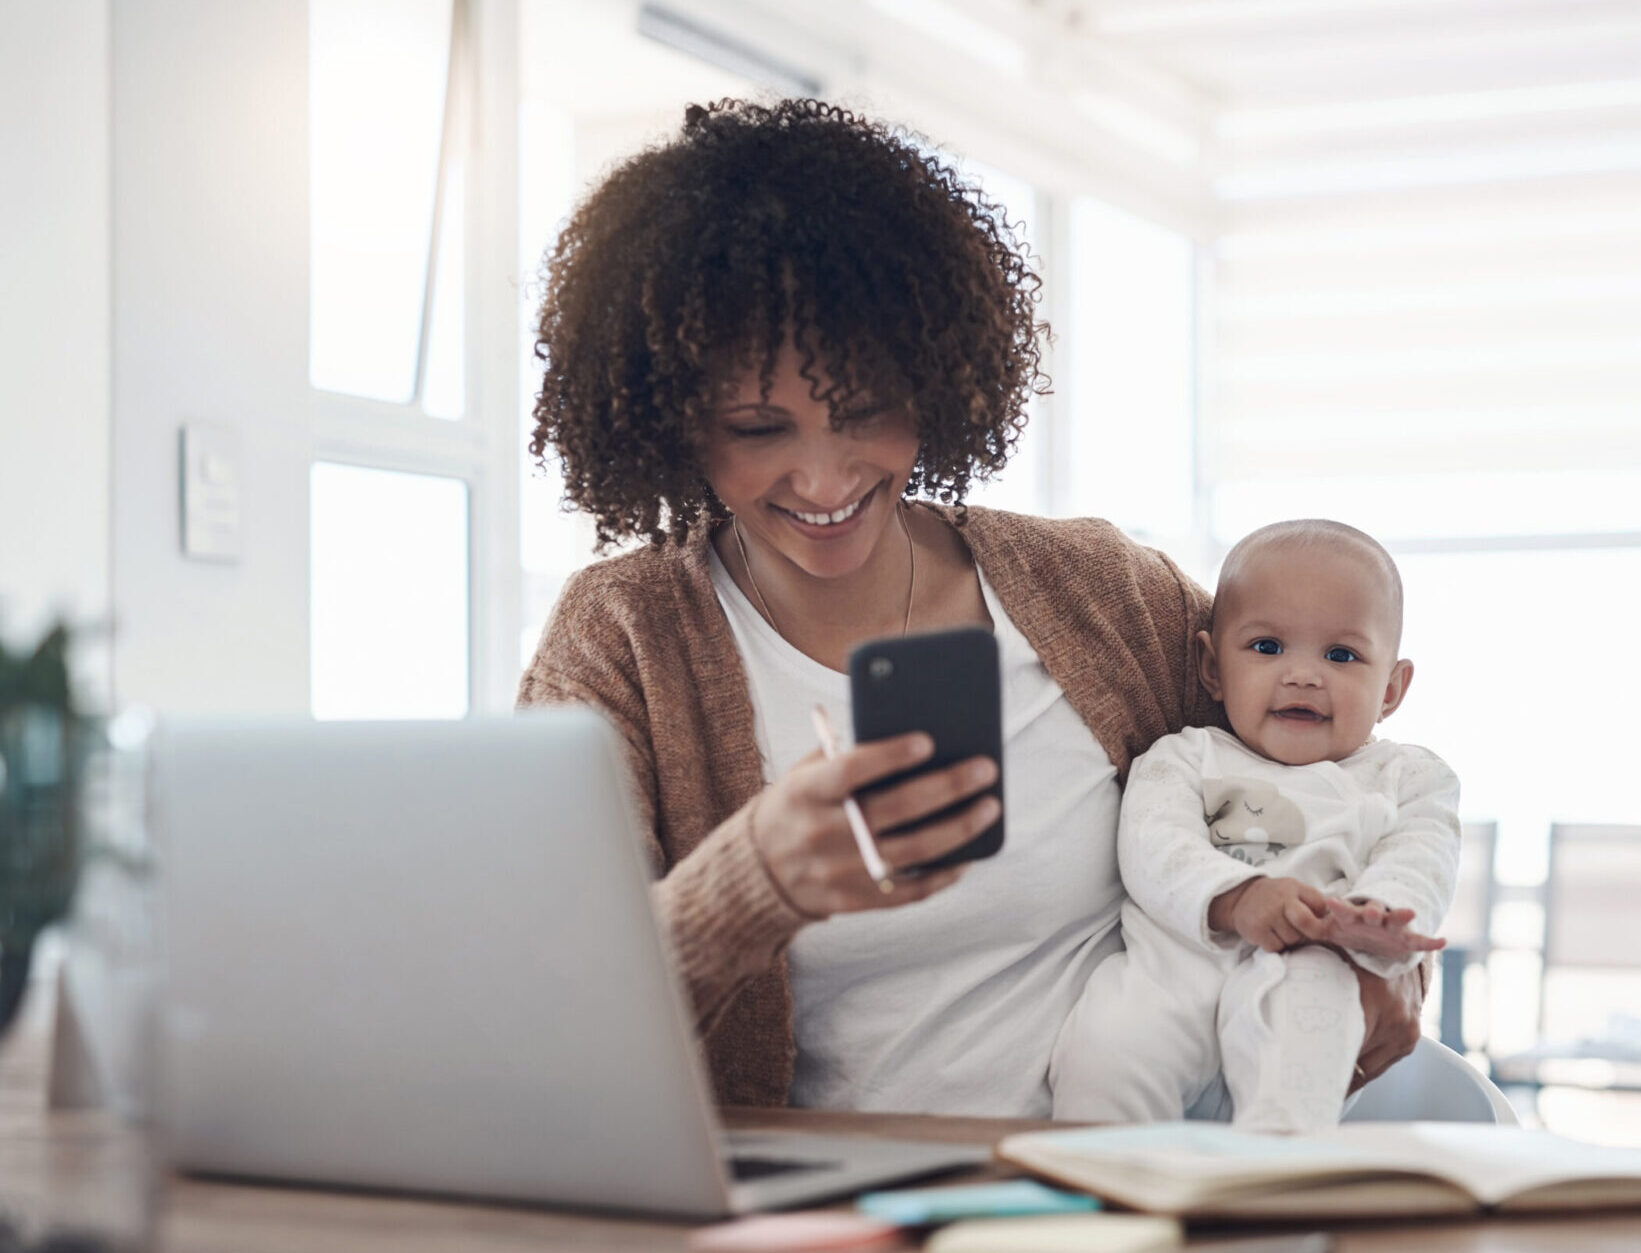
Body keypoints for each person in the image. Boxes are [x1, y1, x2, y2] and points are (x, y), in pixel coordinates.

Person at [515, 98, 1427, 1116]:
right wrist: (751, 882)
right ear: (669, 420)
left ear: (938, 378)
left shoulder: (1103, 593)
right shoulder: (624, 636)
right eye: (757, 427)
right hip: (832, 1201)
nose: (822, 477)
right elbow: (538, 1019)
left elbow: (1330, 774)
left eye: (863, 409)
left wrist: (1374, 965)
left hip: (1128, 1185)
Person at [1051, 520, 1460, 1132]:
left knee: (1310, 1031)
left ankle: (1275, 1170)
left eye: (1341, 655)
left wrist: (1379, 915)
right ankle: (1104, 1187)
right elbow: (1153, 846)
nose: (1303, 675)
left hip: (1315, 959)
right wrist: (1237, 897)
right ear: (1212, 667)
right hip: (1174, 973)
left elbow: (1423, 856)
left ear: (1392, 689)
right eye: (1267, 647)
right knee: (1106, 1049)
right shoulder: (1184, 758)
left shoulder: (1408, 777)